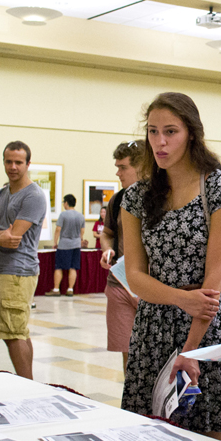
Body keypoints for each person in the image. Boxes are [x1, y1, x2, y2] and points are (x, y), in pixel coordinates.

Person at [119, 92, 221, 441]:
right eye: (153, 131)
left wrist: (190, 348)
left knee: (207, 434)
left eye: (170, 132)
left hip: (204, 328)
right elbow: (135, 277)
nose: (160, 142)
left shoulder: (219, 187)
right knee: (146, 432)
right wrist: (179, 298)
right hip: (152, 327)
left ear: (191, 134)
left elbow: (215, 279)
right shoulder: (137, 197)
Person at [0, 141, 47, 380]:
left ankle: (28, 385)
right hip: (2, 269)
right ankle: (29, 383)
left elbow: (14, 237)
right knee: (14, 332)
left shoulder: (33, 196)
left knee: (13, 332)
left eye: (18, 162)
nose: (13, 167)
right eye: (9, 161)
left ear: (28, 164)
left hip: (19, 271)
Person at [101, 141, 144, 373]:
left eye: (123, 167)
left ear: (142, 167)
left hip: (153, 286)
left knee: (157, 351)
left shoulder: (165, 199)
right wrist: (107, 250)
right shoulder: (117, 200)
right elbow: (107, 234)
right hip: (119, 283)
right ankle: (131, 393)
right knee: (128, 353)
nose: (118, 173)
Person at [47, 194, 85, 297]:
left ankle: (56, 289)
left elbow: (58, 229)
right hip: (76, 244)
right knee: (73, 267)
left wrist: (55, 242)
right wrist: (80, 240)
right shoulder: (80, 216)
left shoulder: (63, 215)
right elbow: (82, 230)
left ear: (66, 203)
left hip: (64, 244)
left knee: (59, 267)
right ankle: (70, 289)